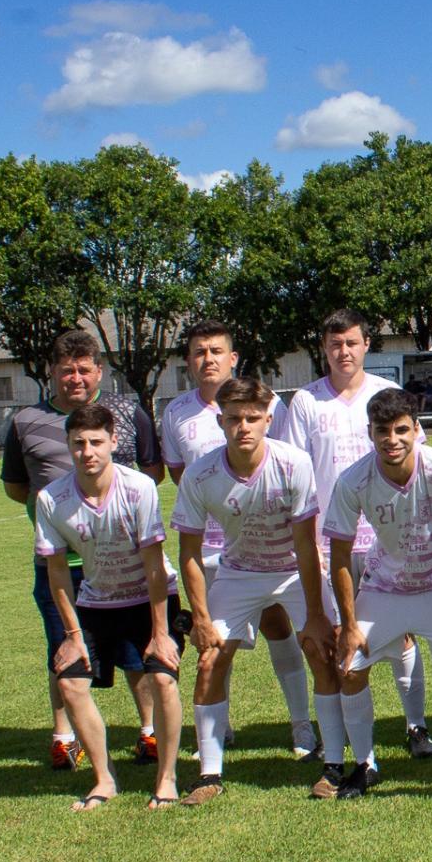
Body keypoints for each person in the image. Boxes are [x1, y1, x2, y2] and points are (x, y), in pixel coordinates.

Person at [277, 308, 432, 759]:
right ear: (324, 348)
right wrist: (311, 545)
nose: (343, 352)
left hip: (388, 541)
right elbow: (295, 473)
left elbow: (419, 465)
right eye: (335, 344)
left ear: (366, 345)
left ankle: (416, 729)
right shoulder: (305, 402)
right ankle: (344, 740)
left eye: (351, 343)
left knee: (403, 637)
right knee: (341, 638)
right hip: (329, 543)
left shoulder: (386, 395)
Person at [0, 328, 165, 770]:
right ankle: (64, 737)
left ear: (99, 371)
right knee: (64, 648)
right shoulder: (24, 422)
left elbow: (152, 471)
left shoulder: (129, 412)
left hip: (123, 561)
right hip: (59, 562)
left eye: (84, 369)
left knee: (136, 651)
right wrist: (60, 513)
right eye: (66, 370)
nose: (75, 378)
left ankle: (148, 732)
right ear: (52, 372)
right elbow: (17, 487)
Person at [324, 390, 432, 799]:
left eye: (402, 429)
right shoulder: (353, 480)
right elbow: (339, 556)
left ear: (417, 429)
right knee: (350, 666)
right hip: (385, 586)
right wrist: (348, 625)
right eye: (382, 431)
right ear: (370, 433)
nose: (392, 439)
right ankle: (365, 764)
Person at [172, 377, 333, 805]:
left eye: (252, 418)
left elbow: (305, 544)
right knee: (209, 661)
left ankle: (332, 762)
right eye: (234, 419)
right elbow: (188, 551)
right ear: (221, 421)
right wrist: (201, 618)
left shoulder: (294, 463)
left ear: (268, 419)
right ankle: (209, 773)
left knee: (321, 650)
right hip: (239, 573)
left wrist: (316, 613)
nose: (243, 427)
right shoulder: (201, 473)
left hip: (293, 571)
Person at [159, 319, 314, 759]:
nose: (207, 359)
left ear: (232, 357)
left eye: (216, 351)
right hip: (210, 547)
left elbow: (278, 467)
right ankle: (218, 731)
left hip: (269, 546)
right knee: (212, 639)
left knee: (278, 627)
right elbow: (179, 474)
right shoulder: (175, 413)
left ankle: (301, 726)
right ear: (189, 361)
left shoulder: (267, 405)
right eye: (198, 352)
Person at [33, 403, 183, 810]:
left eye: (97, 442)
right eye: (78, 443)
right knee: (68, 681)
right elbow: (58, 572)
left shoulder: (139, 488)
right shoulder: (52, 498)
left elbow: (154, 566)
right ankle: (104, 779)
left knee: (164, 678)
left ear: (114, 442)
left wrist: (161, 635)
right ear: (68, 446)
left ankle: (166, 779)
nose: (88, 452)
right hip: (96, 602)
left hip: (149, 599)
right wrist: (72, 636)